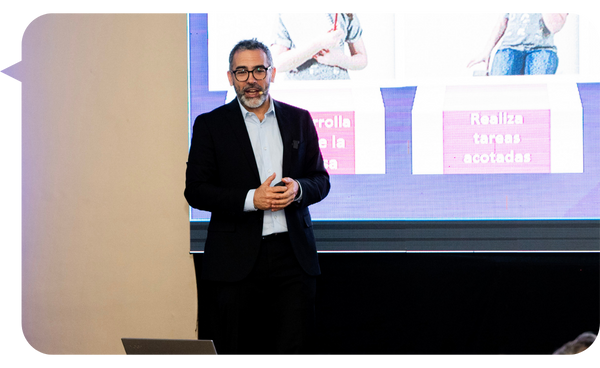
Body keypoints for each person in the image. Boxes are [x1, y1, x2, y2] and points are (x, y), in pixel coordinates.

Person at [185, 39, 330, 357]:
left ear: (272, 73)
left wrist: (298, 190)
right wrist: (252, 199)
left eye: (258, 70)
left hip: (293, 260)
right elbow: (195, 190)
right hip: (234, 263)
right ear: (230, 77)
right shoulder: (211, 125)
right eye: (242, 71)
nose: (251, 79)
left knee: (294, 350)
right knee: (237, 349)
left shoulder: (299, 120)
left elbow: (320, 180)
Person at [271, 10, 367, 80]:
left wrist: (340, 60)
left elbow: (362, 59)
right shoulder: (284, 13)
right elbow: (277, 64)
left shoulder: (345, 12)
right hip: (298, 93)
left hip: (338, 93)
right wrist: (318, 44)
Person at [467, 10, 568, 75]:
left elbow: (554, 27)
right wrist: (486, 51)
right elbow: (502, 22)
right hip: (509, 47)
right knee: (498, 91)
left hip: (542, 48)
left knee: (536, 93)